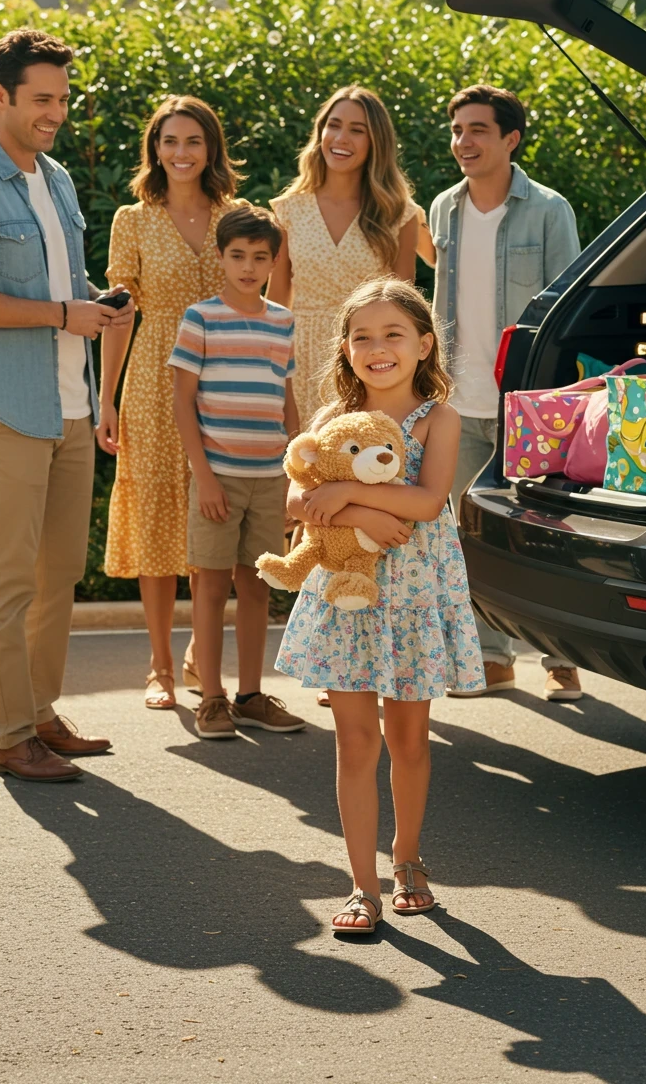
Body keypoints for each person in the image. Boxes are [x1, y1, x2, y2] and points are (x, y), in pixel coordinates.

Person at [0, 27, 134, 780]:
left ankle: (42, 712)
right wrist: (62, 316)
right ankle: (9, 735)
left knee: (58, 573)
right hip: (6, 407)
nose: (56, 112)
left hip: (71, 407)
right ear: (0, 94)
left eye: (62, 98)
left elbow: (58, 281)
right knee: (10, 578)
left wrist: (95, 301)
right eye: (41, 99)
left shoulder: (55, 178)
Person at [274, 277, 484, 932]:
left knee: (409, 740)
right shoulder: (329, 420)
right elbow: (296, 498)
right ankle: (361, 885)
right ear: (346, 348)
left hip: (415, 597)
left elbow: (427, 501)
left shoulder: (440, 419)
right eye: (362, 336)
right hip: (348, 601)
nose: (377, 348)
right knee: (356, 742)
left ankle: (408, 859)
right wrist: (353, 508)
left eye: (393, 334)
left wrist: (349, 496)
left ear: (424, 344)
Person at [421, 83, 584, 702]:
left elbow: (567, 308)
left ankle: (560, 657)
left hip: (529, 404)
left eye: (478, 130)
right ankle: (491, 657)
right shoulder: (443, 208)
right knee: (470, 537)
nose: (463, 141)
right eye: (457, 130)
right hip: (458, 403)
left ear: (511, 139)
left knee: (544, 533)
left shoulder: (549, 210)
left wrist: (556, 397)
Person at [97, 96, 244, 710]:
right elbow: (119, 316)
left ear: (211, 149)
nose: (181, 153)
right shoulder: (132, 220)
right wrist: (105, 398)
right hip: (154, 382)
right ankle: (159, 665)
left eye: (193, 141)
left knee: (218, 519)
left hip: (227, 378)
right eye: (169, 141)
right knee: (155, 519)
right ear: (154, 150)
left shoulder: (237, 217)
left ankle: (199, 654)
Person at [170, 203, 306, 739]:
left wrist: (295, 473)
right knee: (209, 586)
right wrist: (203, 477)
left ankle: (250, 696)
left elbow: (287, 401)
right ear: (221, 257)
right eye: (238, 255)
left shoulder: (282, 322)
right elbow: (183, 403)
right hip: (218, 478)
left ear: (274, 262)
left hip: (270, 478)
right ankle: (212, 699)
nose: (249, 267)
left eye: (260, 257)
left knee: (256, 586)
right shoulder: (200, 318)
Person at [267, 85, 421, 429]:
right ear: (320, 132)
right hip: (299, 361)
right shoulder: (288, 210)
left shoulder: (399, 214)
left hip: (370, 359)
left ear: (376, 142)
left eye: (357, 130)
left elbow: (404, 309)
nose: (341, 138)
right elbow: (276, 301)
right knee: (302, 457)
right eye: (333, 125)